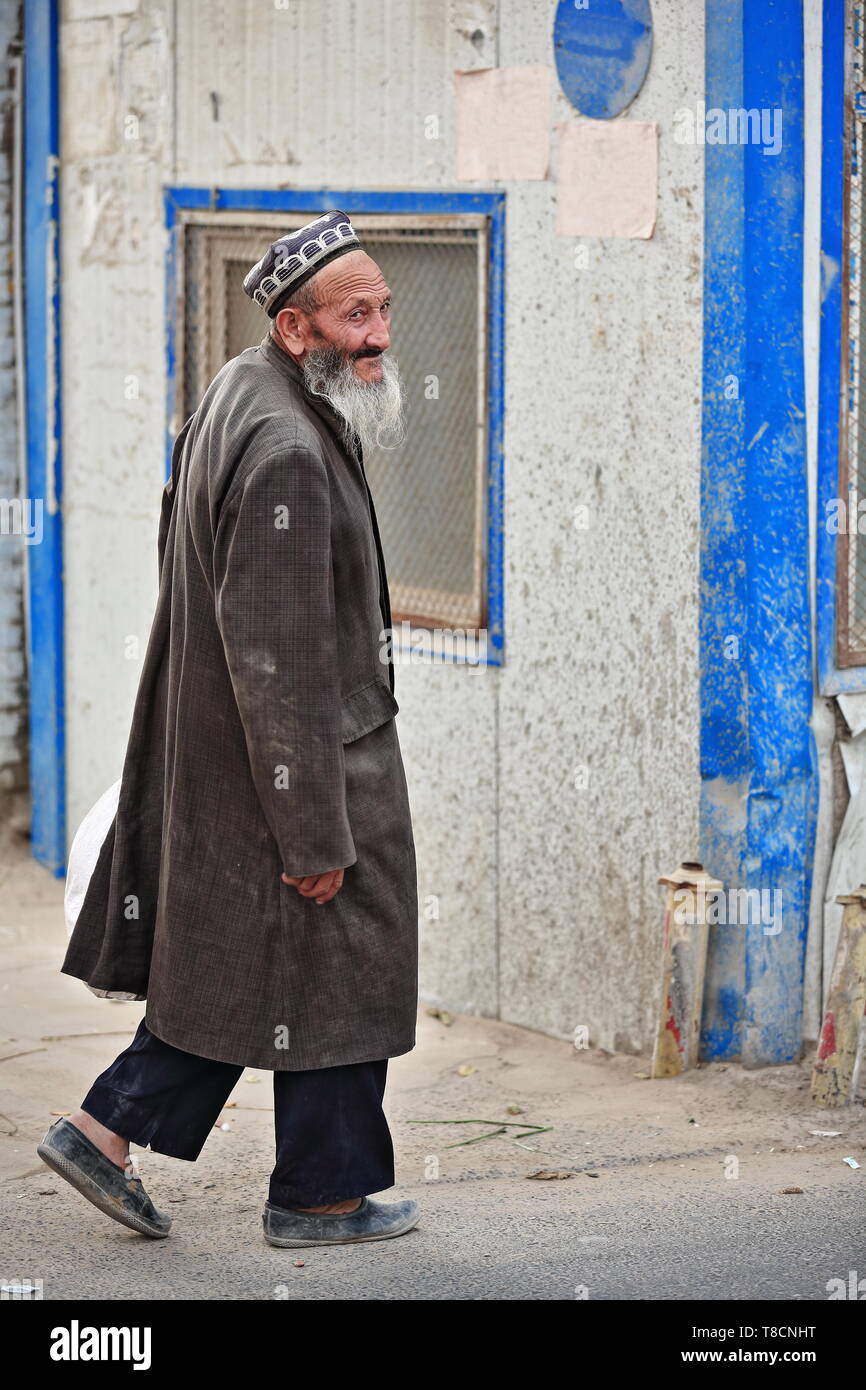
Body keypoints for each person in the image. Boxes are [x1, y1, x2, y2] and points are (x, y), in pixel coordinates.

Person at [38, 210, 421, 1249]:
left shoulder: (242, 387)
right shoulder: (289, 445)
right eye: (356, 316)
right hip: (301, 765)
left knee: (271, 973)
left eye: (384, 306)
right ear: (296, 327)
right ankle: (308, 1194)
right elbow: (277, 659)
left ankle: (130, 1137)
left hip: (251, 756)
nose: (381, 331)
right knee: (334, 958)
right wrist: (310, 832)